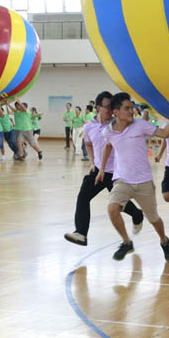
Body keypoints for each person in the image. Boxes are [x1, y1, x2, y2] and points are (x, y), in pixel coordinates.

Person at [101, 92, 169, 262]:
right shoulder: (108, 132)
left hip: (144, 181)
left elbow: (165, 133)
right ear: (116, 112)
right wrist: (102, 168)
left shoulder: (140, 125)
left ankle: (164, 241)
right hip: (123, 180)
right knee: (112, 209)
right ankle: (126, 242)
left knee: (154, 219)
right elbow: (108, 145)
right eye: (127, 108)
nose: (131, 111)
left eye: (132, 108)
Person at [64, 91, 144, 246]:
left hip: (117, 171)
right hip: (99, 171)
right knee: (83, 197)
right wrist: (93, 162)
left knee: (119, 204)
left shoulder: (118, 123)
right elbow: (88, 144)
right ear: (98, 108)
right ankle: (81, 233)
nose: (111, 110)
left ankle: (137, 215)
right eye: (107, 106)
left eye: (112, 107)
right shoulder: (89, 127)